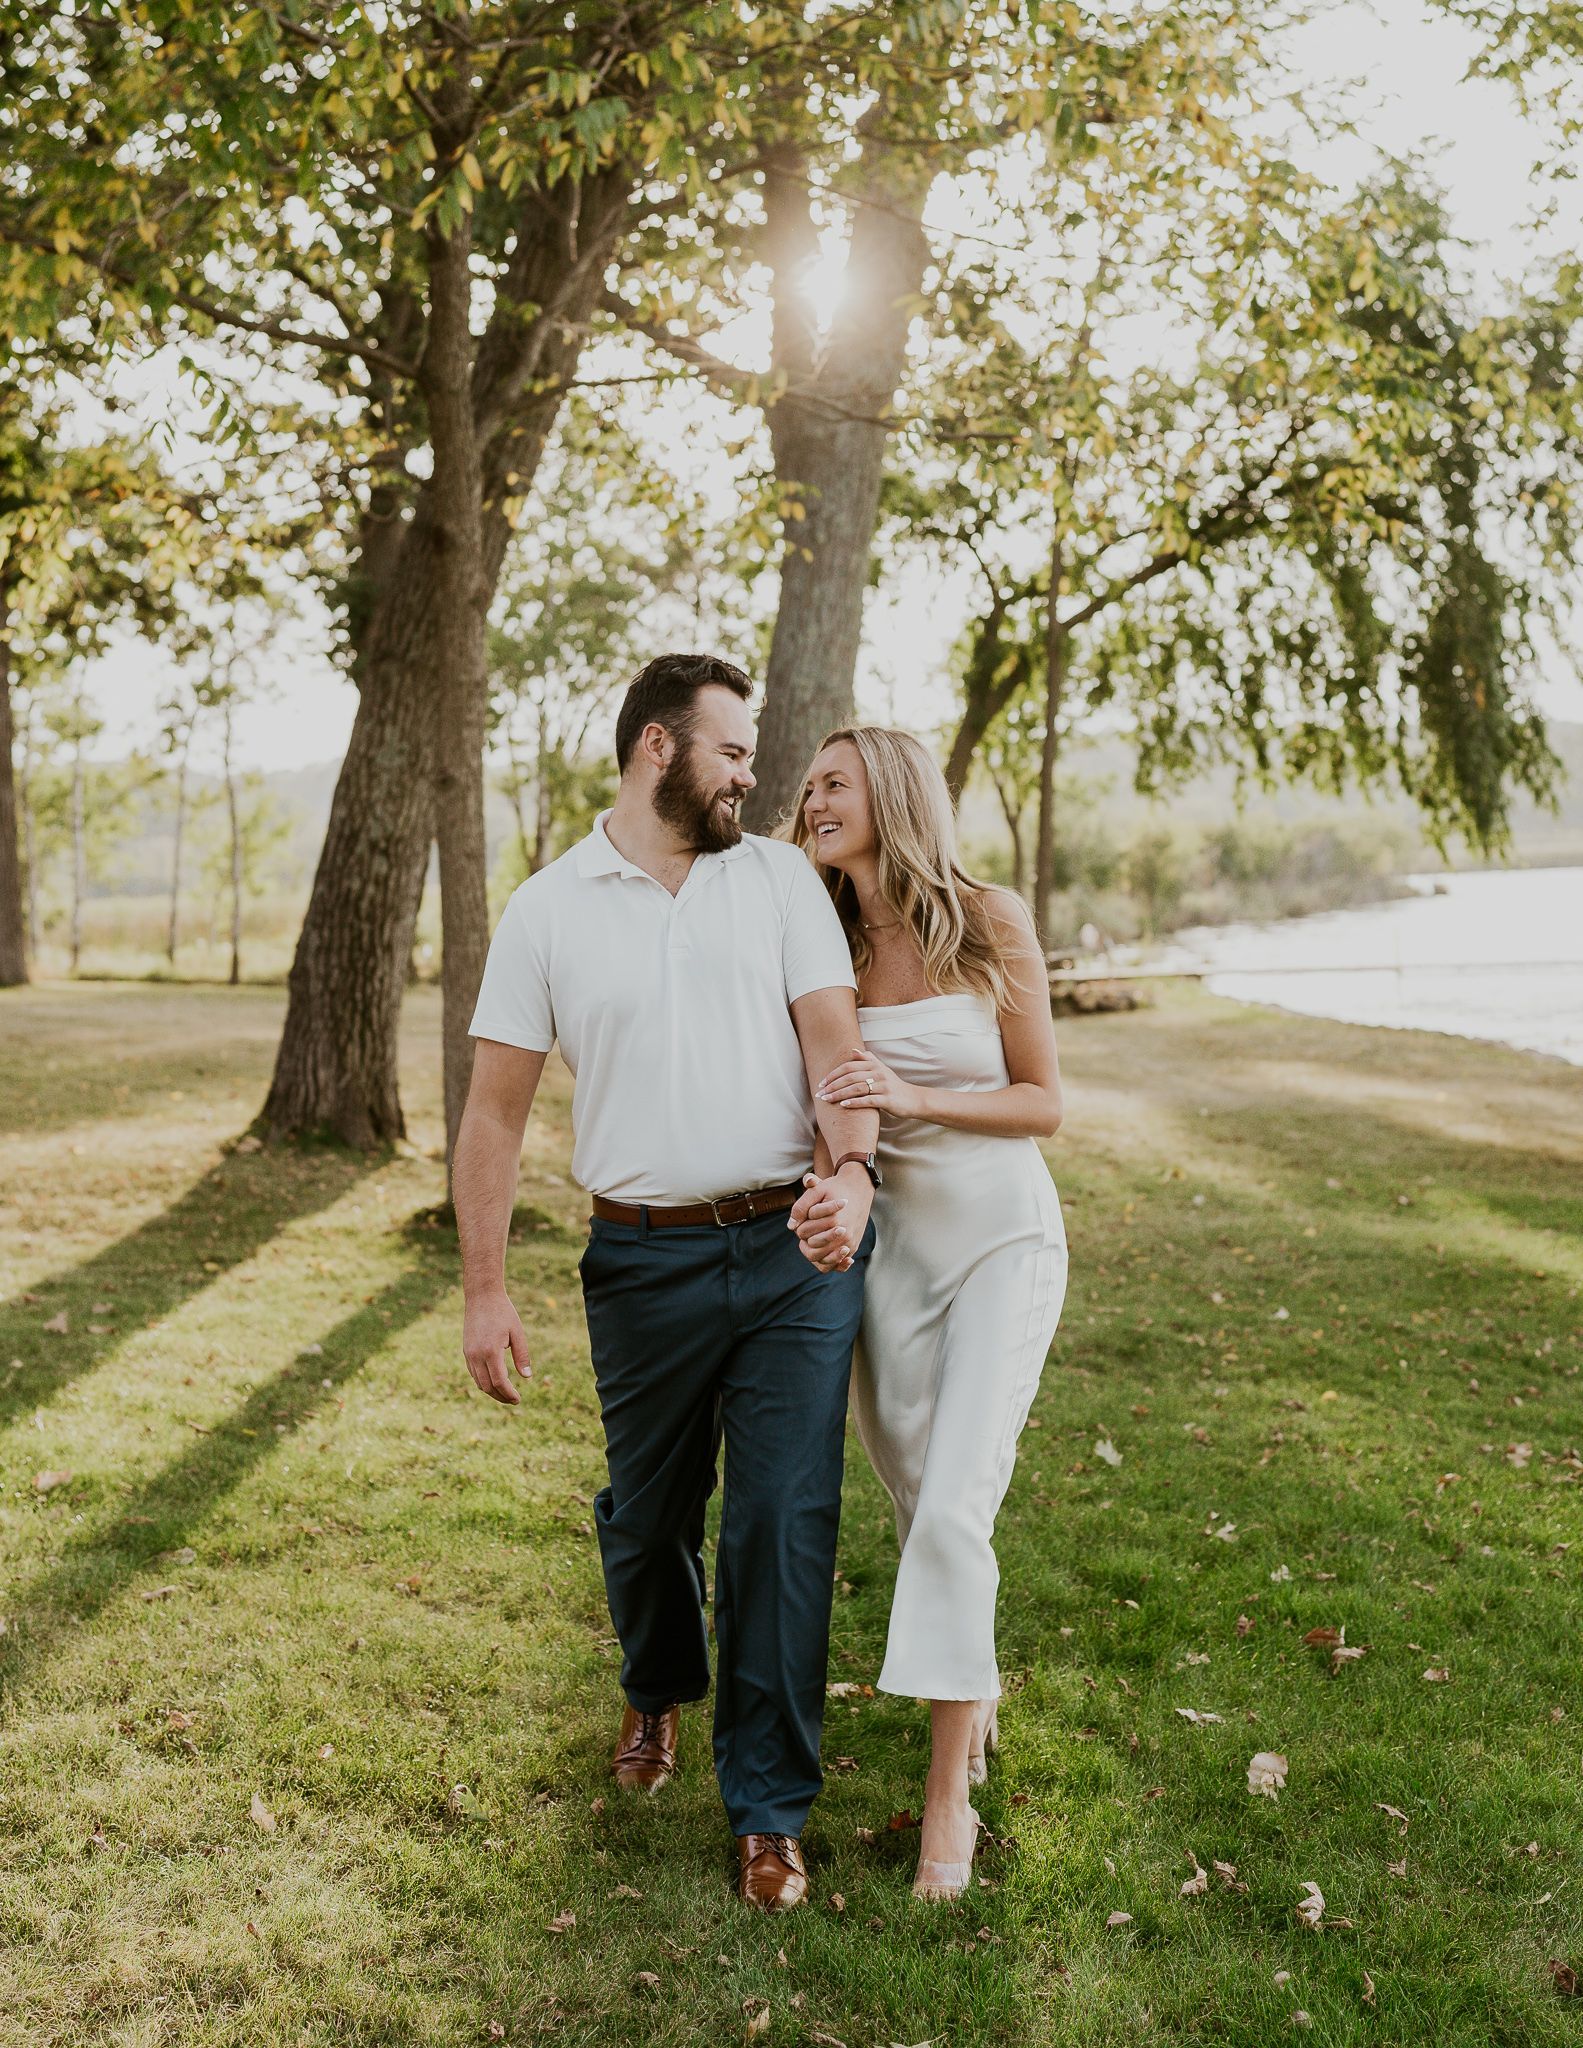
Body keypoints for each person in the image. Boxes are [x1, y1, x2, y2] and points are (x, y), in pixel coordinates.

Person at [453, 654, 882, 1914]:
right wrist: (485, 1288)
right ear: (658, 748)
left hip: (793, 1247)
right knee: (647, 1518)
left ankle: (766, 1811)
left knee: (780, 1521)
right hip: (640, 1255)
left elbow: (834, 1048)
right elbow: (491, 1112)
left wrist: (847, 1174)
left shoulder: (779, 886)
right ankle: (656, 1685)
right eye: (736, 752)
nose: (758, 776)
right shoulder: (546, 909)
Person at [787, 726, 1067, 1902]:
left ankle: (946, 1799)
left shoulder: (986, 917)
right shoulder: (818, 937)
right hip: (888, 1258)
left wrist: (915, 1092)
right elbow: (815, 1097)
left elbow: (1043, 1100)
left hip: (1000, 1238)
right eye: (804, 785)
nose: (809, 798)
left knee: (953, 1505)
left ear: (891, 793)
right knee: (920, 1504)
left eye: (831, 782)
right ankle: (974, 1677)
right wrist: (825, 1179)